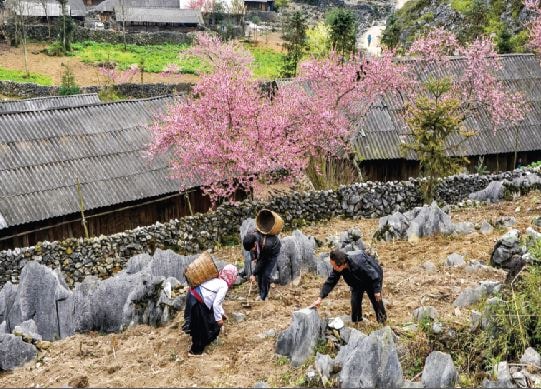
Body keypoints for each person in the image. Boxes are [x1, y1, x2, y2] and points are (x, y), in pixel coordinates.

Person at [311, 249, 387, 324]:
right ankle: (357, 322)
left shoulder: (358, 261)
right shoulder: (338, 267)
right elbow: (330, 282)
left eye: (334, 266)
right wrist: (320, 298)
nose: (333, 268)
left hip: (372, 279)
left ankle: (382, 320)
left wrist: (377, 290)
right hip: (356, 282)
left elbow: (374, 275)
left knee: (376, 300)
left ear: (341, 265)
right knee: (355, 301)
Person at [183, 264, 238, 356]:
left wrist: (222, 313)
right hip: (197, 301)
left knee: (200, 324)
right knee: (201, 327)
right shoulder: (224, 286)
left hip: (192, 296)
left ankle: (198, 347)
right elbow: (216, 303)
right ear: (231, 276)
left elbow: (217, 302)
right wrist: (218, 319)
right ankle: (195, 352)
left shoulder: (217, 280)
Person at [242, 230, 281, 301]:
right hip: (262, 252)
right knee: (259, 273)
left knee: (266, 274)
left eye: (252, 248)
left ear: (255, 243)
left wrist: (253, 274)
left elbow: (263, 261)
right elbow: (252, 251)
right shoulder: (251, 238)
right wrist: (254, 258)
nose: (252, 250)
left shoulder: (267, 245)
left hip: (272, 252)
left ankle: (264, 296)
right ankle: (261, 292)